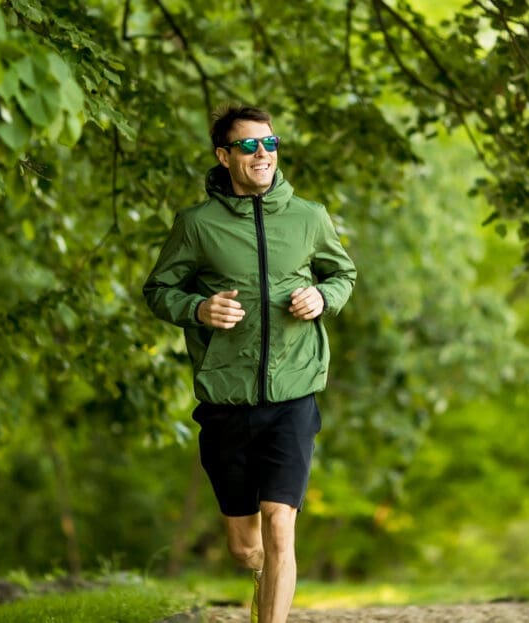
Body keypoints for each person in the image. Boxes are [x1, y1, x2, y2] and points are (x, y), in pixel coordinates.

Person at [143, 104, 356, 623]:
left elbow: (343, 273)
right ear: (224, 155)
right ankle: (259, 579)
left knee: (281, 521)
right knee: (247, 547)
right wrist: (198, 307)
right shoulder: (196, 225)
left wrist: (323, 298)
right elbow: (158, 290)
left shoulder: (309, 216)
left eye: (270, 144)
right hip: (226, 399)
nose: (263, 154)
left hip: (294, 393)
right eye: (249, 146)